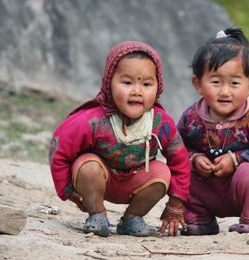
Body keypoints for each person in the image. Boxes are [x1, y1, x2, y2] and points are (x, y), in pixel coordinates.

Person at [49, 41, 190, 237]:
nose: (137, 91)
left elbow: (180, 160)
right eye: (127, 83)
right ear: (109, 82)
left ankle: (132, 218)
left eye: (147, 84)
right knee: (87, 165)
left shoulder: (160, 122)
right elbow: (59, 147)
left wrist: (176, 203)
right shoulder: (92, 120)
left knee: (162, 172)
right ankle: (97, 215)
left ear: (158, 87)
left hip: (136, 182)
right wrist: (66, 189)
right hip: (98, 181)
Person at [177, 27, 249, 238]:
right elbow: (177, 147)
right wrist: (194, 158)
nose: (225, 91)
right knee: (181, 171)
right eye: (216, 82)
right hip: (211, 188)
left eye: (235, 83)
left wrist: (237, 159)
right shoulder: (191, 117)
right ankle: (199, 219)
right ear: (197, 83)